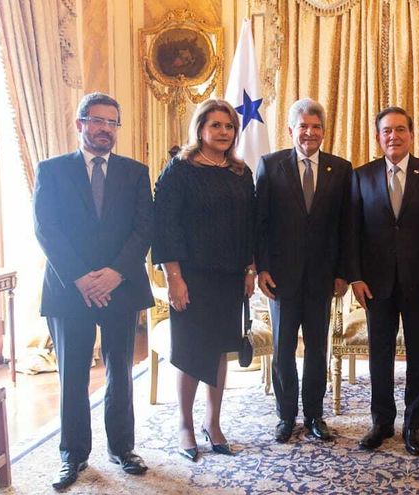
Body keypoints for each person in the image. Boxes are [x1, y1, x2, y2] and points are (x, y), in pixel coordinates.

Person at [33, 92, 153, 491]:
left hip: (121, 287)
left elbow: (144, 229)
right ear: (80, 124)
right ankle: (73, 455)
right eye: (97, 120)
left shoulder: (135, 173)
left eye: (112, 122)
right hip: (69, 290)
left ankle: (122, 449)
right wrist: (81, 278)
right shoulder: (52, 170)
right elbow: (46, 229)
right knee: (73, 374)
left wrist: (116, 273)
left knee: (121, 372)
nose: (105, 129)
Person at [152, 99, 256, 462]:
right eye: (216, 125)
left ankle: (213, 423)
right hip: (191, 277)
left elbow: (250, 225)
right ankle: (185, 425)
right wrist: (174, 277)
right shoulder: (180, 169)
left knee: (219, 349)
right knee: (191, 350)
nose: (223, 132)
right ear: (200, 129)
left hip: (230, 276)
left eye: (229, 126)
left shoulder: (241, 172)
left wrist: (249, 269)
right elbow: (165, 226)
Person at [348, 106, 419, 456]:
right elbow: (352, 232)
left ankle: (413, 425)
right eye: (387, 131)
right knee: (379, 355)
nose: (393, 136)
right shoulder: (361, 176)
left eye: (400, 130)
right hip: (375, 284)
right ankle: (381, 422)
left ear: (411, 134)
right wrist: (355, 277)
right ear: (378, 137)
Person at [255, 98, 352, 443]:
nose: (309, 133)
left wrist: (342, 271)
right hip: (281, 277)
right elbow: (260, 223)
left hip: (322, 278)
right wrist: (262, 268)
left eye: (316, 127)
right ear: (290, 130)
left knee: (316, 349)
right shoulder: (270, 165)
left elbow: (346, 226)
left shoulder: (341, 169)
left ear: (324, 131)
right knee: (283, 350)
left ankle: (314, 415)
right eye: (303, 126)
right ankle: (286, 416)